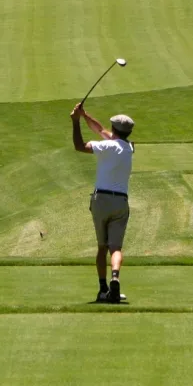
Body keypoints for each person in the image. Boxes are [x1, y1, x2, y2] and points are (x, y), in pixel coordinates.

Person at [70, 103, 135, 303]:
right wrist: (84, 114)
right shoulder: (130, 147)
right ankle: (115, 277)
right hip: (120, 202)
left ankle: (102, 289)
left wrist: (75, 123)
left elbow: (79, 146)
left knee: (101, 247)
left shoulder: (105, 146)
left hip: (101, 201)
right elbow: (100, 130)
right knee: (115, 248)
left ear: (114, 129)